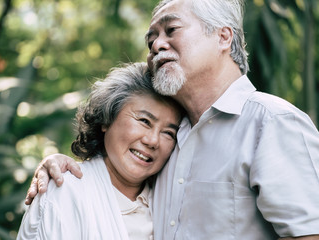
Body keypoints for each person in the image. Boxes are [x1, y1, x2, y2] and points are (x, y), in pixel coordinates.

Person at [25, 0, 319, 239]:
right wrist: (56, 165)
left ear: (223, 36)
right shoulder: (172, 138)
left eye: (171, 30)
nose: (156, 45)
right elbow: (109, 186)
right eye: (151, 39)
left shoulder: (272, 123)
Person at [17, 62, 184, 239]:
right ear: (107, 119)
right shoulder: (66, 192)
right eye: (144, 121)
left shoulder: (169, 203)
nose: (153, 141)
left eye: (168, 133)